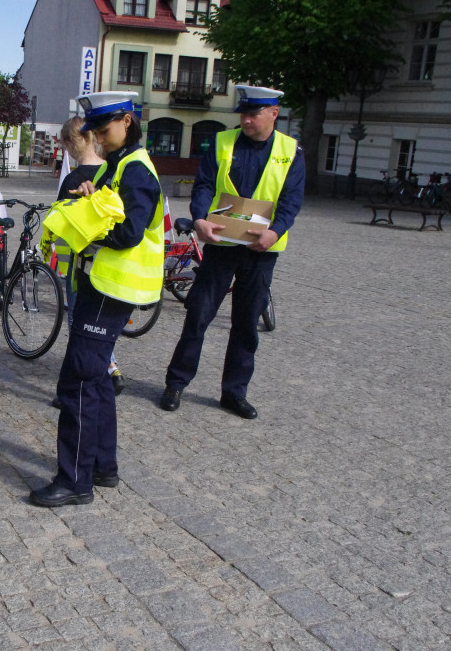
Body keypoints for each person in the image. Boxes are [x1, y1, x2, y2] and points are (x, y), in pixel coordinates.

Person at [30, 92, 165, 508]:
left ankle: (75, 480)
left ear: (127, 121)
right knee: (98, 378)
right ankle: (103, 466)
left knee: (80, 381)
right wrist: (90, 199)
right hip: (101, 284)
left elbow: (127, 233)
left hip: (111, 287)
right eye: (94, 133)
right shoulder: (117, 166)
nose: (99, 139)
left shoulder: (136, 170)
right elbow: (109, 211)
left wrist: (83, 221)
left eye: (103, 130)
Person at [159, 85, 304, 419]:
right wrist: (198, 219)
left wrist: (275, 232)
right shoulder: (224, 142)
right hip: (222, 245)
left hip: (260, 250)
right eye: (244, 113)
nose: (247, 120)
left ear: (274, 113)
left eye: (254, 114)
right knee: (198, 316)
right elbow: (205, 185)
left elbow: (291, 201)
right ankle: (176, 383)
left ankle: (234, 393)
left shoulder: (292, 151)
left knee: (245, 324)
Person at [53, 116, 124, 402]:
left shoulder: (73, 179)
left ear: (72, 142)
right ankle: (111, 366)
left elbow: (60, 221)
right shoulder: (109, 173)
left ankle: (84, 380)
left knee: (78, 324)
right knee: (99, 322)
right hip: (107, 262)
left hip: (77, 264)